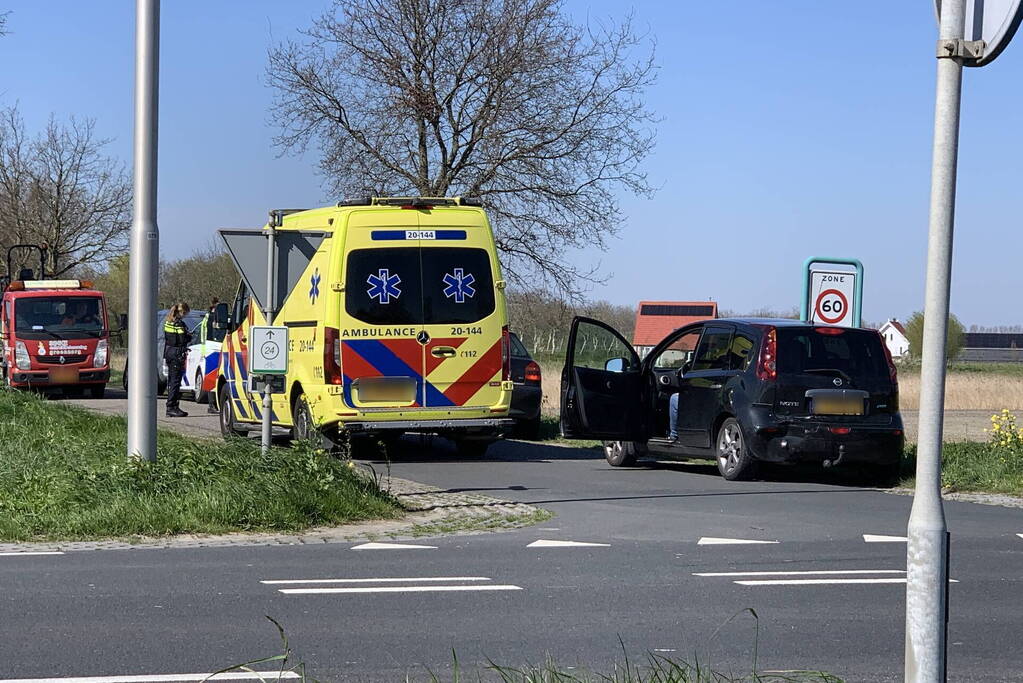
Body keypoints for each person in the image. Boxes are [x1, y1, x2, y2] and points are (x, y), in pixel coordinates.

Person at [163, 303, 192, 418]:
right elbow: (182, 339)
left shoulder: (167, 322)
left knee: (171, 381)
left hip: (169, 352)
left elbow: (169, 338)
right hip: (177, 354)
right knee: (175, 382)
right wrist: (188, 336)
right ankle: (171, 407)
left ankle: (173, 406)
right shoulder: (179, 324)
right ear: (182, 312)